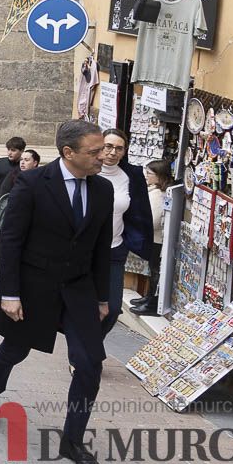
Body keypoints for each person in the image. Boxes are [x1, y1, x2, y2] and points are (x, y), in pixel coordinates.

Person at [0, 120, 112, 464]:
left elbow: (100, 248)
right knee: (14, 350)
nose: (104, 156)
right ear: (69, 153)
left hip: (79, 289)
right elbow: (10, 240)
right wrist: (10, 293)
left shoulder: (103, 191)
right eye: (95, 151)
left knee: (89, 364)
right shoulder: (34, 183)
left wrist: (101, 298)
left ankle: (72, 441)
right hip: (34, 288)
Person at [97, 129, 151, 335]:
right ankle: (83, 356)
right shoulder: (86, 170)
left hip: (114, 250)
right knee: (83, 307)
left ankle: (91, 348)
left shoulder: (131, 175)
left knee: (111, 310)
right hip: (84, 250)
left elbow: (140, 211)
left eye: (118, 148)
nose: (112, 152)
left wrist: (133, 243)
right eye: (108, 146)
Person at [131, 160, 174, 316]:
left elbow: (153, 220)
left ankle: (152, 302)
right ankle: (149, 297)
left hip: (157, 239)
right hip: (155, 238)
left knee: (156, 269)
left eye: (149, 173)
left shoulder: (159, 195)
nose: (146, 176)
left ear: (159, 176)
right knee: (153, 268)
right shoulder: (155, 191)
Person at [0, 137, 26, 206]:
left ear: (21, 151)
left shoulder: (24, 166)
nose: (9, 153)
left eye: (13, 150)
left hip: (14, 206)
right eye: (8, 149)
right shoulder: (0, 162)